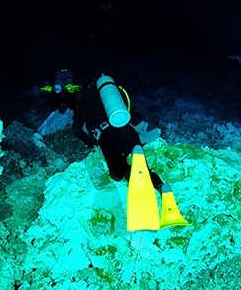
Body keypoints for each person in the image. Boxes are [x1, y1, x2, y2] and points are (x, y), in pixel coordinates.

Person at [71, 73, 188, 230]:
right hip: (127, 130)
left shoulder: (82, 99)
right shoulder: (113, 93)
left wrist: (92, 144)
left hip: (106, 137)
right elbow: (135, 116)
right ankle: (161, 187)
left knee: (118, 174)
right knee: (145, 170)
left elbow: (76, 130)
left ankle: (130, 168)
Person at [35, 69, 81, 137]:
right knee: (69, 100)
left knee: (63, 99)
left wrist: (47, 91)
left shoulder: (59, 100)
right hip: (64, 94)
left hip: (61, 94)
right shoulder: (67, 101)